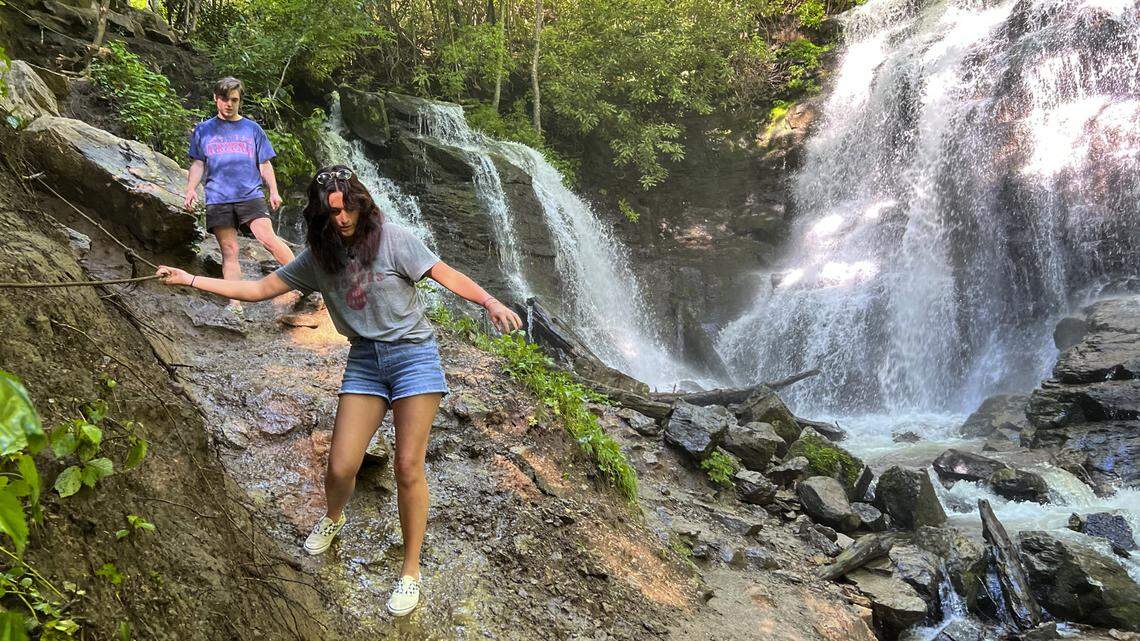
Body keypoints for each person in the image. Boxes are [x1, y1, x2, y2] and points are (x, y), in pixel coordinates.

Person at [156, 165, 522, 617]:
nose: (343, 217)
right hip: (365, 361)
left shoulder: (394, 239)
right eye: (333, 211)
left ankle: (410, 572)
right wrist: (190, 278)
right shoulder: (317, 258)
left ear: (361, 205)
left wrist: (490, 302)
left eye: (349, 208)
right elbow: (257, 288)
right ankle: (333, 517)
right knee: (340, 466)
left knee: (408, 466)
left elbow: (445, 273)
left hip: (413, 356)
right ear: (320, 214)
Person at [184, 76, 296, 316]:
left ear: (239, 101)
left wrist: (274, 191)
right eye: (224, 99)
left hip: (250, 195)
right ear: (216, 99)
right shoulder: (203, 130)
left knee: (268, 238)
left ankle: (302, 281)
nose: (229, 104)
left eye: (234, 100)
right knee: (229, 250)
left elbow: (265, 164)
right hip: (218, 198)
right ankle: (235, 304)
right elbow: (197, 164)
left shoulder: (252, 129)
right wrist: (191, 188)